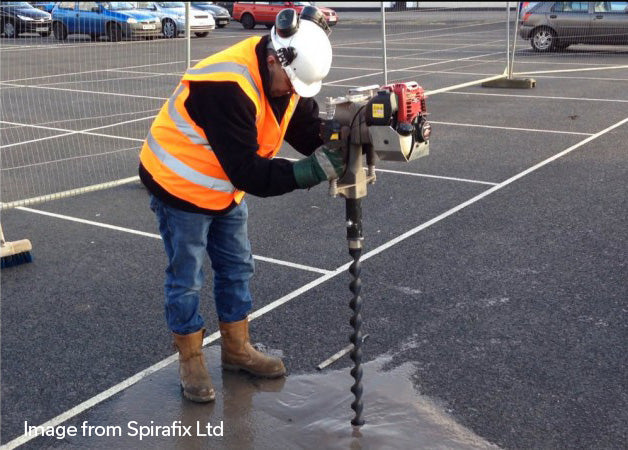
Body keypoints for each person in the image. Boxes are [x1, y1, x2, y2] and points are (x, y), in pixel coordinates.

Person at [139, 6, 344, 403]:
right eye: (291, 85)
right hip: (177, 183)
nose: (293, 93)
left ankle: (236, 349)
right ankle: (191, 359)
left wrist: (340, 141)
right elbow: (249, 173)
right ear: (272, 59)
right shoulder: (225, 85)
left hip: (221, 185)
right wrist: (311, 172)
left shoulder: (287, 72)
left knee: (237, 265)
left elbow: (301, 127)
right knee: (187, 277)